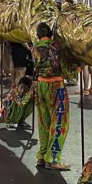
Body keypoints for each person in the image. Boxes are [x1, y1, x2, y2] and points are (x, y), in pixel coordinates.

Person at [32, 21, 71, 170]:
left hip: (40, 84)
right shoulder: (57, 47)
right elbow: (66, 67)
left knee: (44, 122)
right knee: (60, 121)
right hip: (56, 86)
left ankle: (42, 156)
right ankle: (53, 158)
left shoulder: (35, 47)